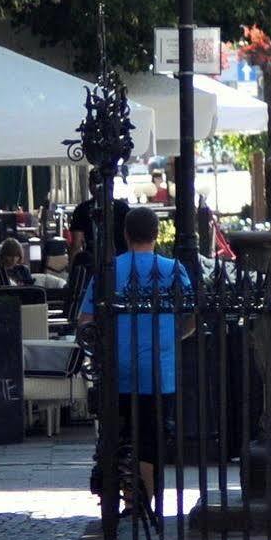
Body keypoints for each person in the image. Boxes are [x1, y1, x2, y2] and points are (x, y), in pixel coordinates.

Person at [77, 207, 194, 513]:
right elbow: (192, 317)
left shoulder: (109, 271)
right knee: (152, 440)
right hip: (159, 370)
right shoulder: (172, 269)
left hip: (118, 369)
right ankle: (144, 502)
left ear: (125, 234)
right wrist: (170, 337)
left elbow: (86, 321)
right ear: (157, 234)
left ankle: (123, 499)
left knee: (119, 436)